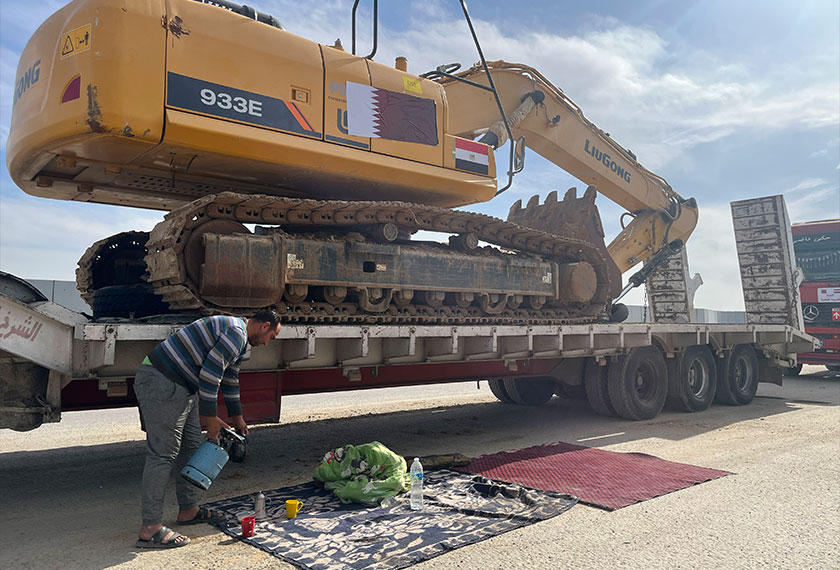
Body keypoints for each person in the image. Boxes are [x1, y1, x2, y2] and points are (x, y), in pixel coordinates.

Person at [134, 310, 281, 549]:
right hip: (162, 380)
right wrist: (210, 418)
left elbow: (230, 379)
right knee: (162, 454)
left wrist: (237, 417)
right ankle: (150, 528)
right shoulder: (235, 333)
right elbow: (211, 375)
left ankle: (188, 510)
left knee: (193, 446)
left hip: (183, 386)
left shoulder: (240, 343)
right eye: (271, 337)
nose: (267, 343)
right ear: (265, 326)